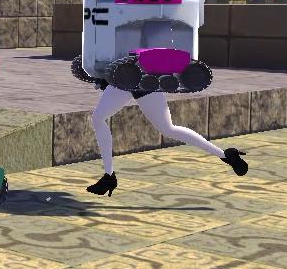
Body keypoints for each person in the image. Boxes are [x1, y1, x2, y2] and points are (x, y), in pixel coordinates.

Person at [84, 82, 246, 195]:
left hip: (143, 77)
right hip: (122, 77)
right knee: (98, 117)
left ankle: (226, 155)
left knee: (168, 128)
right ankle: (109, 176)